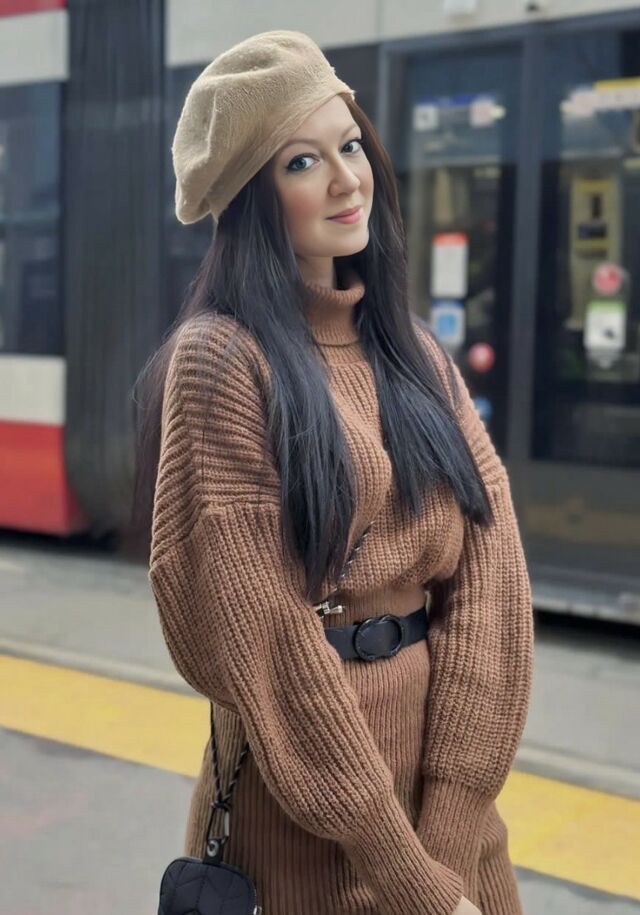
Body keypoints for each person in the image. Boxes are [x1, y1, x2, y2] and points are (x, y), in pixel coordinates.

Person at [134, 29, 533, 915]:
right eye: (303, 161)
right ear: (250, 196)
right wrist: (409, 877)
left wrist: (446, 843)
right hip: (301, 830)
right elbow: (267, 638)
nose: (348, 179)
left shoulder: (413, 351)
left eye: (350, 145)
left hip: (449, 826)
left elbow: (491, 577)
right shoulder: (221, 361)